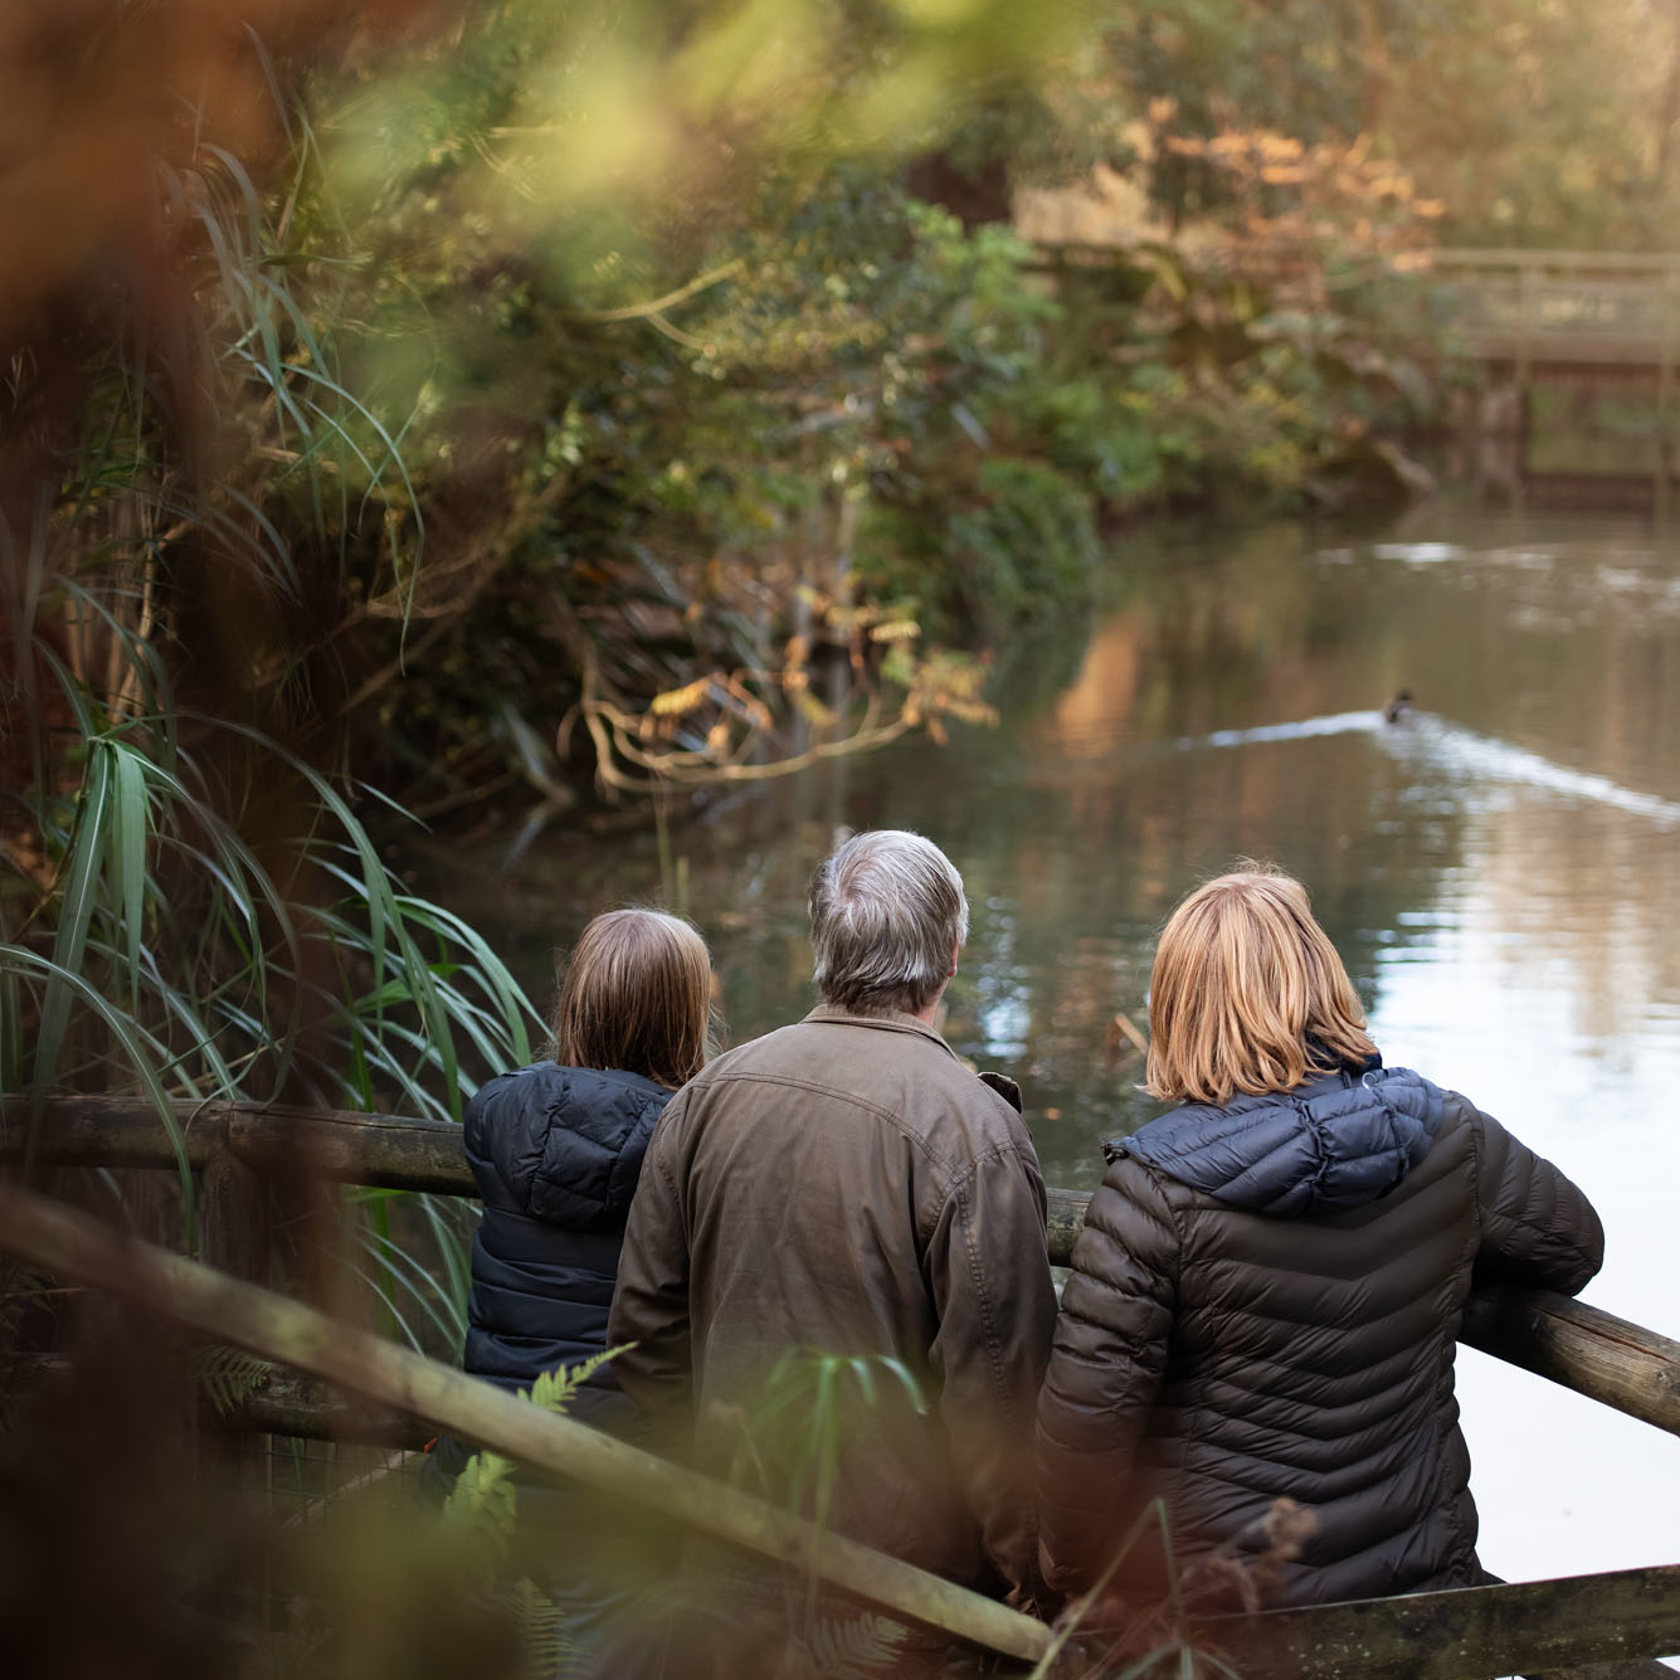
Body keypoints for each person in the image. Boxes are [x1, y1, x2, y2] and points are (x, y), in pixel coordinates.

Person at [1036, 865, 1604, 1618]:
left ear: (1179, 1009)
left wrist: (1069, 1585)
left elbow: (1084, 1444)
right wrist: (1440, 1251)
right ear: (1323, 979)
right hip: (1415, 1599)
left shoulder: (1152, 1195)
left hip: (1222, 1621)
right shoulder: (1448, 1136)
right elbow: (1571, 1247)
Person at [609, 829, 1058, 1670]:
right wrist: (1034, 1592)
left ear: (823, 945)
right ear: (953, 951)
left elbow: (641, 1332)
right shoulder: (971, 1127)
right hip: (906, 1609)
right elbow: (1001, 1400)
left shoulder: (709, 1094)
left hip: (723, 1580)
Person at [450, 906, 714, 1675]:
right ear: (684, 1018)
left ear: (576, 1003)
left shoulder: (498, 1113)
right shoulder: (692, 1140)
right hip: (618, 1488)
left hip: (488, 1465)